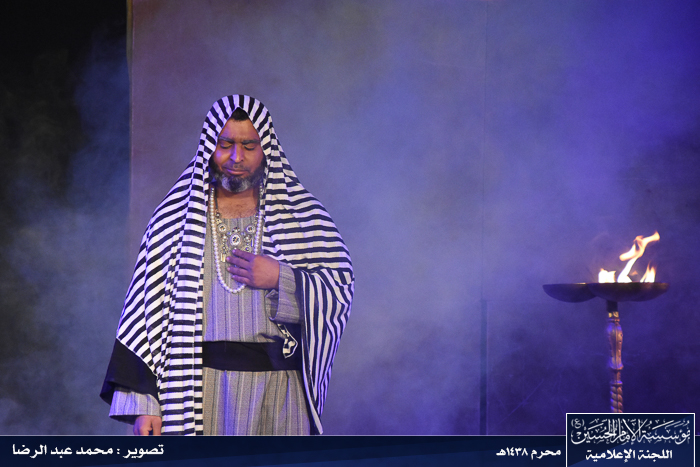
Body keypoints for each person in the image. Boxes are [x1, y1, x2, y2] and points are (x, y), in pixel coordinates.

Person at [100, 95, 354, 435]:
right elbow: (145, 317)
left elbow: (338, 293)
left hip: (280, 395)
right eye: (225, 145)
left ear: (266, 149)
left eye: (249, 146)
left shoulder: (304, 219)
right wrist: (145, 406)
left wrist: (281, 277)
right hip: (198, 393)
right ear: (210, 147)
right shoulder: (174, 221)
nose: (236, 158)